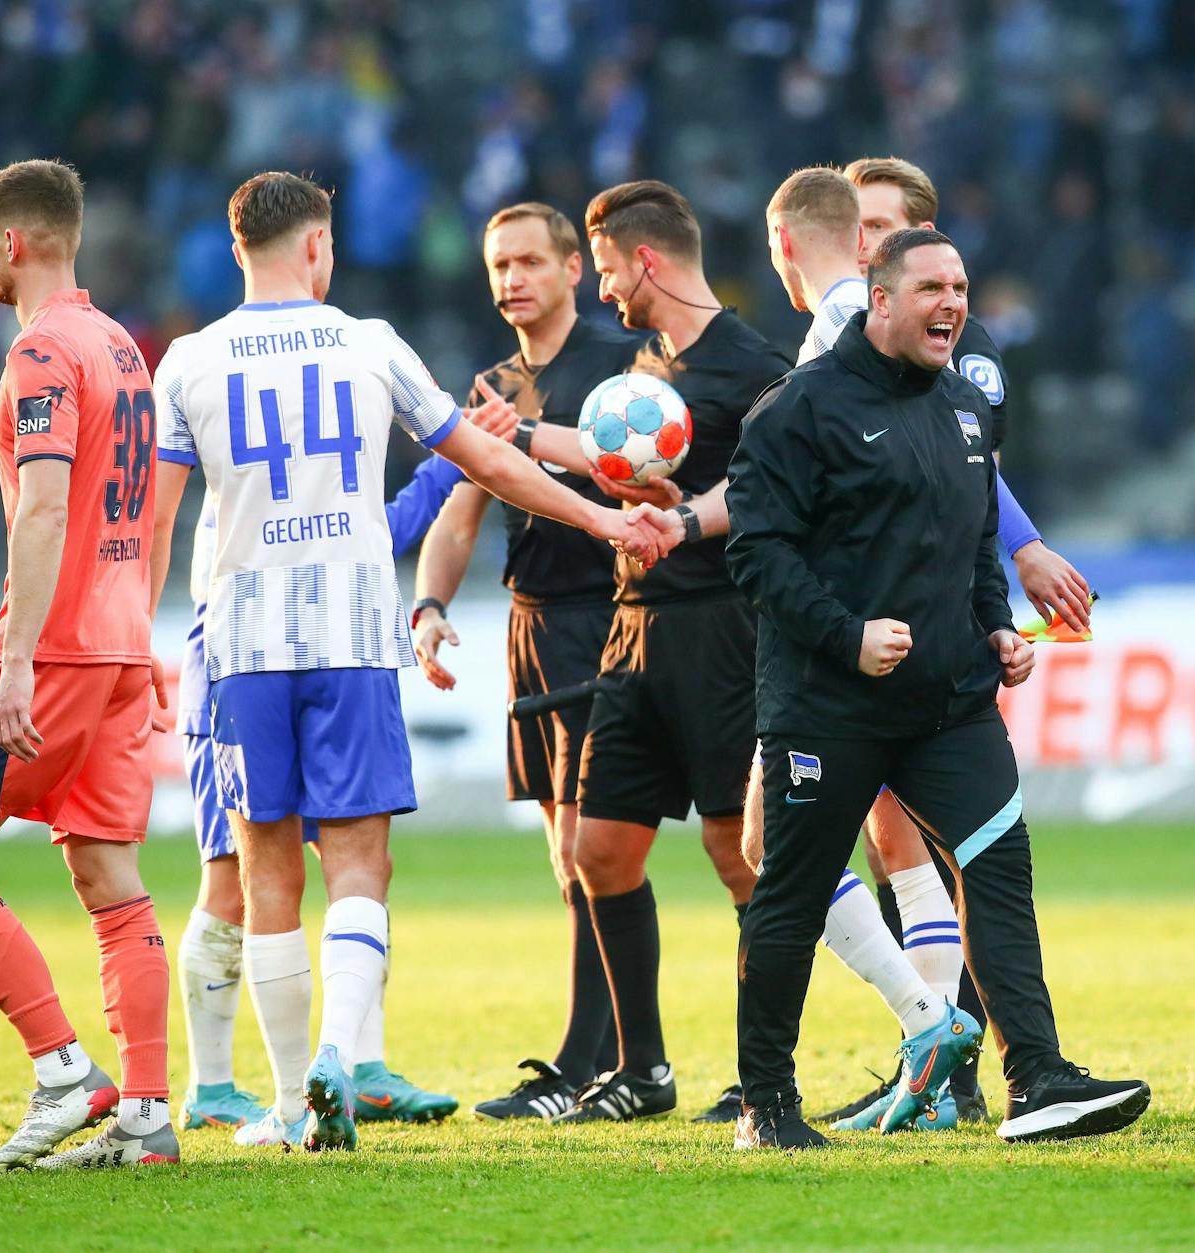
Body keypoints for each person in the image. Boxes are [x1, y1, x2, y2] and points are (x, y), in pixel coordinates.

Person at [148, 172, 656, 1153]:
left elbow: (155, 519)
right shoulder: (367, 343)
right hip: (349, 639)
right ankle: (342, 1054)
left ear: (237, 248)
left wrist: (131, 643)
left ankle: (293, 1100)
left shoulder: (188, 361)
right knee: (358, 865)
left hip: (240, 646)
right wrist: (601, 513)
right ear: (318, 248)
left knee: (263, 876)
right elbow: (492, 462)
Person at [726, 227, 1152, 1149]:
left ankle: (1036, 1076)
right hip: (826, 707)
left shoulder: (965, 408)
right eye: (931, 288)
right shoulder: (796, 410)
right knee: (791, 898)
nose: (952, 304)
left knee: (999, 865)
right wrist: (848, 636)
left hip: (949, 707)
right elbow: (755, 554)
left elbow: (969, 544)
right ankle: (766, 1103)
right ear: (880, 298)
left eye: (959, 288)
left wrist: (996, 624)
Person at [771, 155, 1093, 1125]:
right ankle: (935, 1055)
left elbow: (956, 465)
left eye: (882, 228)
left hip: (917, 633)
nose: (863, 244)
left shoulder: (959, 351)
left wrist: (1023, 548)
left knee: (915, 845)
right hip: (854, 629)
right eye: (859, 229)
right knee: (892, 842)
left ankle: (941, 1048)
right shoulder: (838, 336)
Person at [470, 179, 788, 1125]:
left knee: (741, 860)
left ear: (645, 260)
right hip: (630, 625)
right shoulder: (647, 366)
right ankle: (642, 1069)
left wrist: (685, 519)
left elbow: (768, 487)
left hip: (722, 631)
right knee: (599, 850)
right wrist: (524, 432)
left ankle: (762, 1068)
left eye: (606, 271)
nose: (604, 291)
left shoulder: (753, 364)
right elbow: (617, 457)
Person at [0, 158, 178, 1171]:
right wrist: (136, 635)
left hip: (52, 645)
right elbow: (141, 511)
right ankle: (145, 1115)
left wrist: (15, 662)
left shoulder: (44, 355)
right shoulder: (121, 347)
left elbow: (52, 503)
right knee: (108, 870)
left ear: (15, 241)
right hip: (116, 642)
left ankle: (64, 1070)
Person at [410, 202, 641, 1120]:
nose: (512, 279)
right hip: (531, 626)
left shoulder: (620, 368)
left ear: (574, 268)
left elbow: (640, 469)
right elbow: (462, 511)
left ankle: (595, 1058)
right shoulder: (493, 382)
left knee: (597, 848)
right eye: (499, 264)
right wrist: (428, 603)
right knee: (564, 855)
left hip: (609, 616)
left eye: (530, 261)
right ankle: (613, 1051)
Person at [175, 457, 465, 1139]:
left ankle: (363, 1068)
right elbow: (374, 534)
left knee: (362, 870)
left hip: (304, 657)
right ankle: (211, 1082)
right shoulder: (264, 456)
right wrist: (447, 465)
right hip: (240, 666)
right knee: (235, 883)